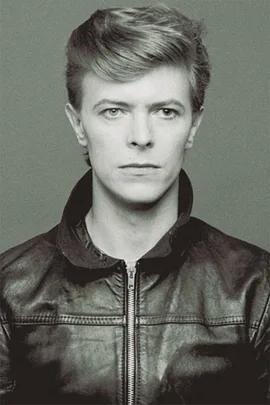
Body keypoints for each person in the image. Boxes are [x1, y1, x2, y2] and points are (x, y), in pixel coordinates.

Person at [0, 4, 269, 405]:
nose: (141, 137)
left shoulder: (257, 290)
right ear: (78, 125)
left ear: (192, 125)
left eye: (165, 111)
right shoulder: (10, 292)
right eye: (114, 111)